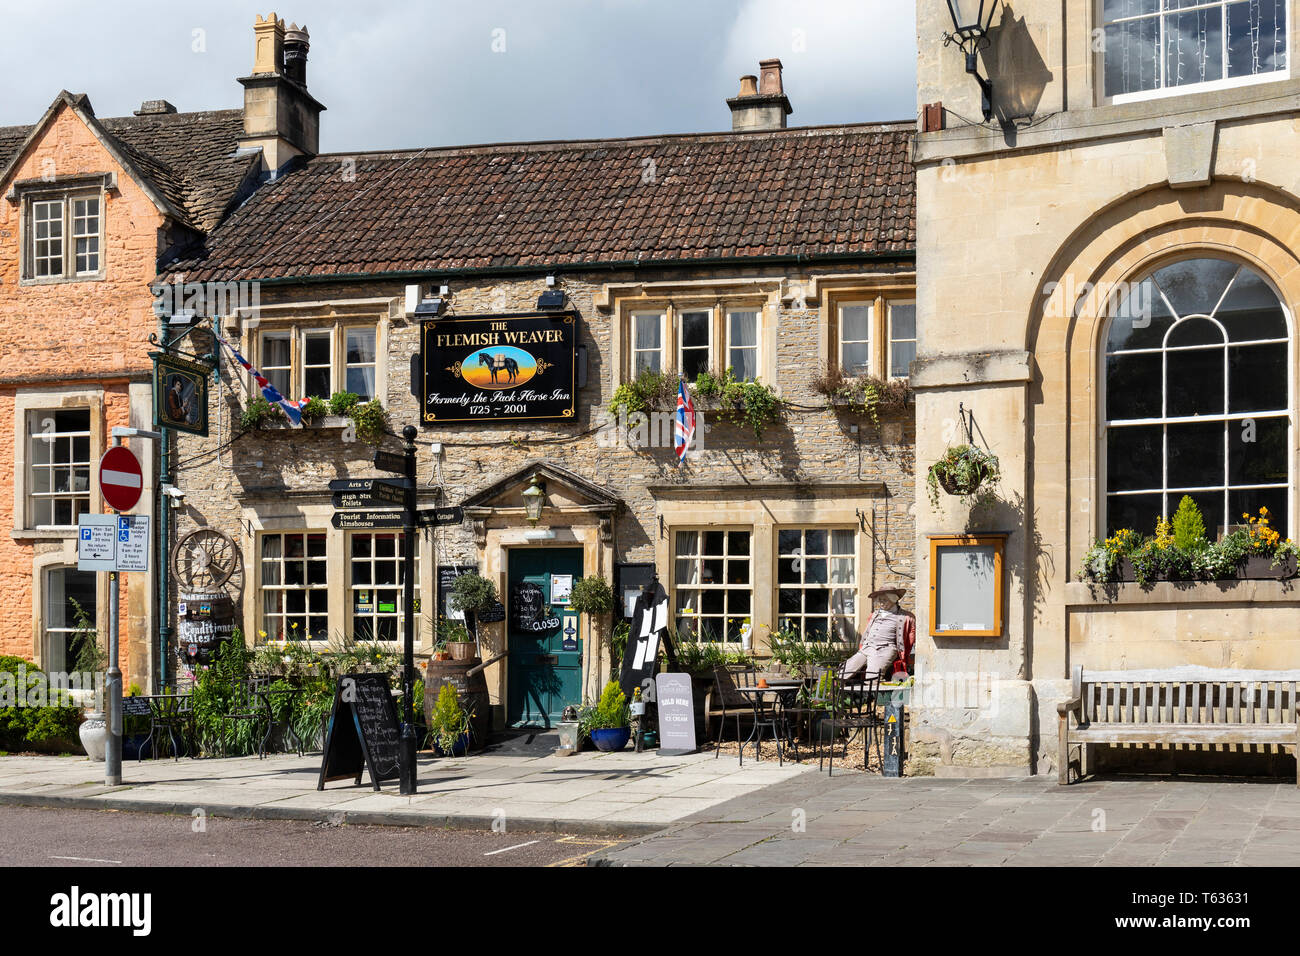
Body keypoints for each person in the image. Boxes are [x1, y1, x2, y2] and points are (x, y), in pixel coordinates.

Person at [841, 586, 915, 681]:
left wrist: (905, 656)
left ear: (893, 599)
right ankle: (839, 693)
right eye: (879, 600)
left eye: (884, 600)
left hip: (885, 650)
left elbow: (910, 639)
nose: (881, 603)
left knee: (872, 678)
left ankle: (872, 696)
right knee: (843, 672)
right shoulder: (874, 614)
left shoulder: (906, 617)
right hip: (867, 648)